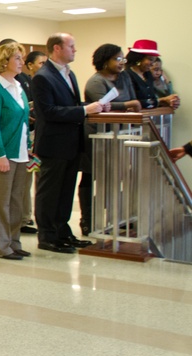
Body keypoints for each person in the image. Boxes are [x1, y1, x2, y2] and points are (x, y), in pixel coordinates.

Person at [32, 33, 107, 254]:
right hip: (53, 145)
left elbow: (70, 104)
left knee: (65, 192)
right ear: (57, 48)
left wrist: (95, 106)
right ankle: (46, 235)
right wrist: (84, 110)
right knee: (49, 192)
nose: (75, 50)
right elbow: (48, 111)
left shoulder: (69, 74)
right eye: (71, 46)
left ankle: (63, 231)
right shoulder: (42, 77)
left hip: (72, 143)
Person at [80, 43, 142, 235]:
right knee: (91, 177)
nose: (121, 62)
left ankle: (117, 217)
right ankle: (88, 220)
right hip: (96, 136)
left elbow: (132, 100)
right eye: (117, 58)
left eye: (123, 58)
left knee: (117, 178)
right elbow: (106, 106)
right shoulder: (95, 82)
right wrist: (127, 105)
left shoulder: (123, 78)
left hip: (120, 136)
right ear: (104, 60)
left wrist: (128, 104)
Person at [0, 42, 30, 259]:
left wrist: (28, 148)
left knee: (17, 200)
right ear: (5, 61)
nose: (21, 62)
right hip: (2, 153)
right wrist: (0, 154)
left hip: (20, 152)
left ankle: (13, 241)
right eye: (17, 58)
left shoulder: (18, 87)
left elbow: (24, 120)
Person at [18, 50, 48, 234]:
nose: (44, 66)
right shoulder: (22, 82)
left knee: (34, 174)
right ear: (30, 65)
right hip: (26, 139)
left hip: (37, 138)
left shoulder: (39, 82)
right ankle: (23, 217)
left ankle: (28, 216)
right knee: (25, 178)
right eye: (41, 63)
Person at [125, 40, 180, 110]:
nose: (152, 64)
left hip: (150, 116)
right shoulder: (126, 75)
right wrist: (161, 100)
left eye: (154, 60)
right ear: (139, 58)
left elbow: (153, 99)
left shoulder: (148, 74)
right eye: (150, 59)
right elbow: (131, 103)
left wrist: (171, 100)